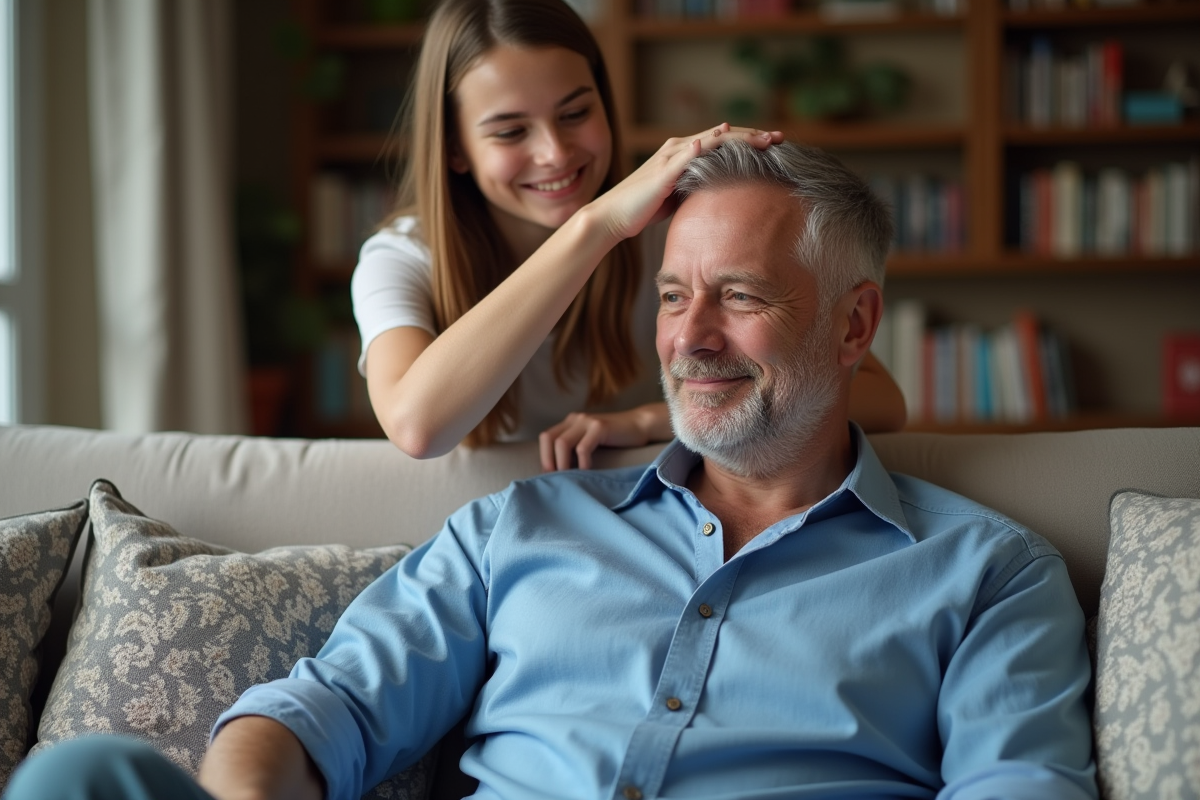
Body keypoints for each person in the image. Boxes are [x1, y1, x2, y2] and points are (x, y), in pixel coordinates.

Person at [6, 141, 1097, 800]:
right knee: (79, 778)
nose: (691, 336)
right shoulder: (519, 526)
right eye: (672, 295)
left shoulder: (987, 575)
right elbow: (315, 711)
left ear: (856, 324)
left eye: (742, 296)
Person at [352, 0, 907, 472]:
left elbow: (883, 399)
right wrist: (595, 226)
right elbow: (417, 428)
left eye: (575, 114)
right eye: (511, 131)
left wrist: (648, 421)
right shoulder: (401, 257)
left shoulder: (665, 228)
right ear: (454, 149)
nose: (555, 153)